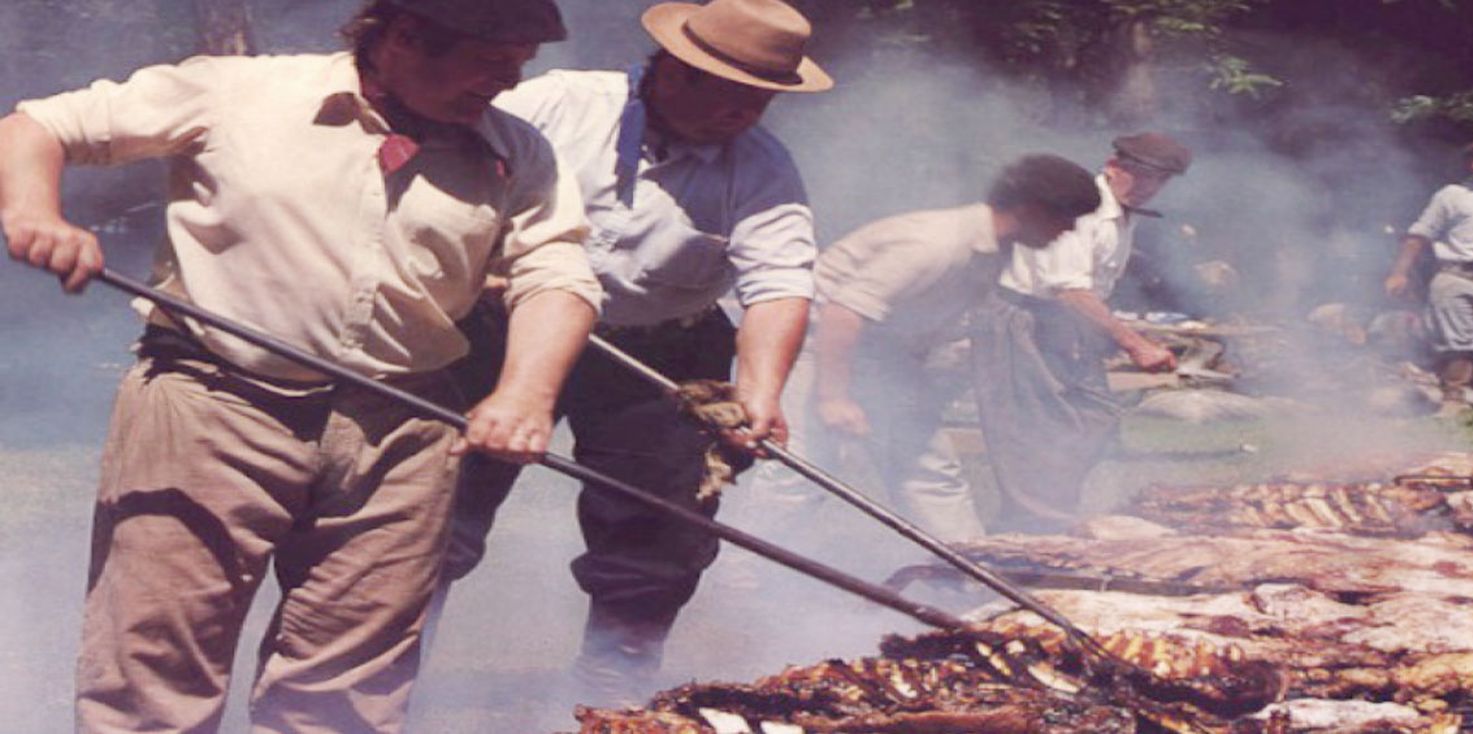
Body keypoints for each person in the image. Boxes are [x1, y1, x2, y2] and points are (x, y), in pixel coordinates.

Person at [0, 0, 601, 730]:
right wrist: (36, 211)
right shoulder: (236, 92)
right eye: (494, 57)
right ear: (406, 36)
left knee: (347, 690)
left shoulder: (520, 151)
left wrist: (525, 396)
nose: (509, 80)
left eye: (521, 61)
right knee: (155, 671)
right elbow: (40, 126)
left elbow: (557, 275)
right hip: (213, 404)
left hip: (401, 429)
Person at [441, 0, 833, 701]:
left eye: (763, 100)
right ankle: (380, 666)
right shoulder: (558, 103)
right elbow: (450, 157)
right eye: (735, 94)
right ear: (678, 71)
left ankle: (609, 690)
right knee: (436, 504)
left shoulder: (763, 166)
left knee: (660, 533)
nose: (747, 114)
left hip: (661, 352)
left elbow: (780, 280)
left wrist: (761, 390)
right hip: (505, 329)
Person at [748, 156, 1101, 546]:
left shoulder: (996, 250)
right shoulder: (936, 244)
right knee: (800, 472)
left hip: (885, 359)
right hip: (818, 350)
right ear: (1031, 208)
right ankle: (743, 573)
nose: (1069, 230)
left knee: (930, 473)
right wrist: (835, 397)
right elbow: (843, 313)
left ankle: (967, 568)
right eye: (1066, 217)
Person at [971, 132, 1191, 530]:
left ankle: (1048, 517)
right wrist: (1134, 343)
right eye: (1139, 176)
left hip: (1064, 326)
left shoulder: (1121, 214)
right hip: (1023, 321)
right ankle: (1026, 533)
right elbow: (1069, 290)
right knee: (1031, 433)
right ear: (1114, 166)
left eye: (1158, 180)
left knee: (1092, 419)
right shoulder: (1081, 209)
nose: (1148, 188)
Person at [1385, 137, 1473, 416]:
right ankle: (1454, 398)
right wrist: (1399, 273)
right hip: (1457, 275)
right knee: (1457, 342)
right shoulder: (1453, 195)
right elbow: (1419, 235)